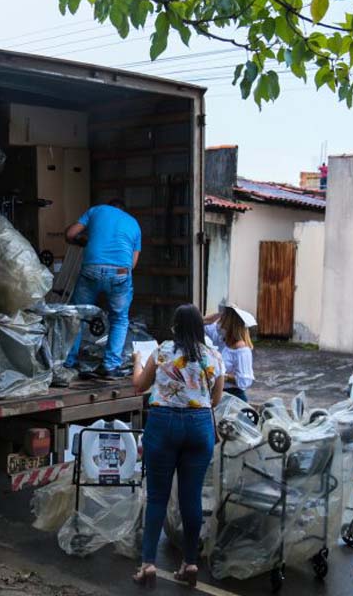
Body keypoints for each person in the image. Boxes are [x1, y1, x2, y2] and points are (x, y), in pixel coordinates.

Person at [130, 304, 224, 588]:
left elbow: (139, 385)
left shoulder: (162, 351)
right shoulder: (213, 356)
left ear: (175, 326)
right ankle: (190, 563)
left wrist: (136, 360)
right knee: (190, 498)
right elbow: (216, 400)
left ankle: (147, 565)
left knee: (157, 497)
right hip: (199, 428)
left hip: (163, 424)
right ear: (200, 328)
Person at [63, 198, 142, 378]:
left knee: (77, 315)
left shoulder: (96, 210)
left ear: (109, 207)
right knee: (120, 319)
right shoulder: (134, 223)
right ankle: (110, 366)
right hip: (120, 273)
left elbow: (70, 234)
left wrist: (83, 241)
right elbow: (133, 263)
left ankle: (68, 364)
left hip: (92, 268)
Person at [203, 304, 256, 402]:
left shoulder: (242, 350)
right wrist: (219, 314)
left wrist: (222, 375)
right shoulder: (222, 340)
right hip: (219, 394)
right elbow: (200, 324)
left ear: (230, 325)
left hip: (233, 397)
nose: (218, 324)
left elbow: (245, 381)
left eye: (222, 320)